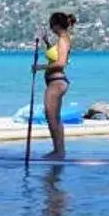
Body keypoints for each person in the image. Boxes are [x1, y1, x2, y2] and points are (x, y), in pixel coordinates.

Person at [38, 11, 76, 160]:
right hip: (53, 81)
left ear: (55, 25)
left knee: (52, 117)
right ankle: (58, 151)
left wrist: (39, 67)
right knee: (52, 116)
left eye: (51, 25)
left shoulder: (63, 40)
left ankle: (59, 151)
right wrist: (47, 43)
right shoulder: (60, 39)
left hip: (57, 82)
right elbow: (55, 56)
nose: (50, 28)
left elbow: (61, 63)